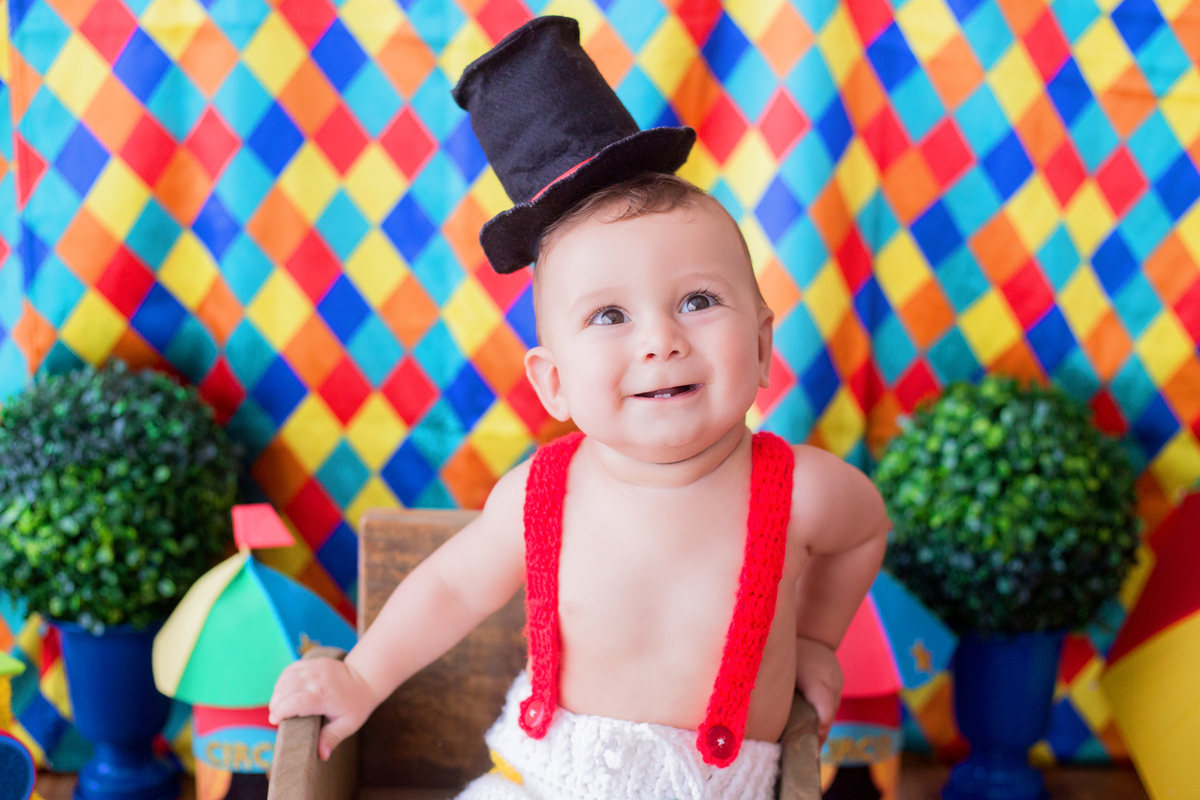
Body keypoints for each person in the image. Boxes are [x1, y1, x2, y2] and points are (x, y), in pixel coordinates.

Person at [269, 16, 889, 800]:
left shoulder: (800, 491)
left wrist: (813, 640)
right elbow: (452, 589)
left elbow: (865, 528)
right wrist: (359, 678)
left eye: (698, 300)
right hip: (547, 777)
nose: (660, 341)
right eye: (609, 316)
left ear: (764, 345)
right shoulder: (544, 492)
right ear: (553, 382)